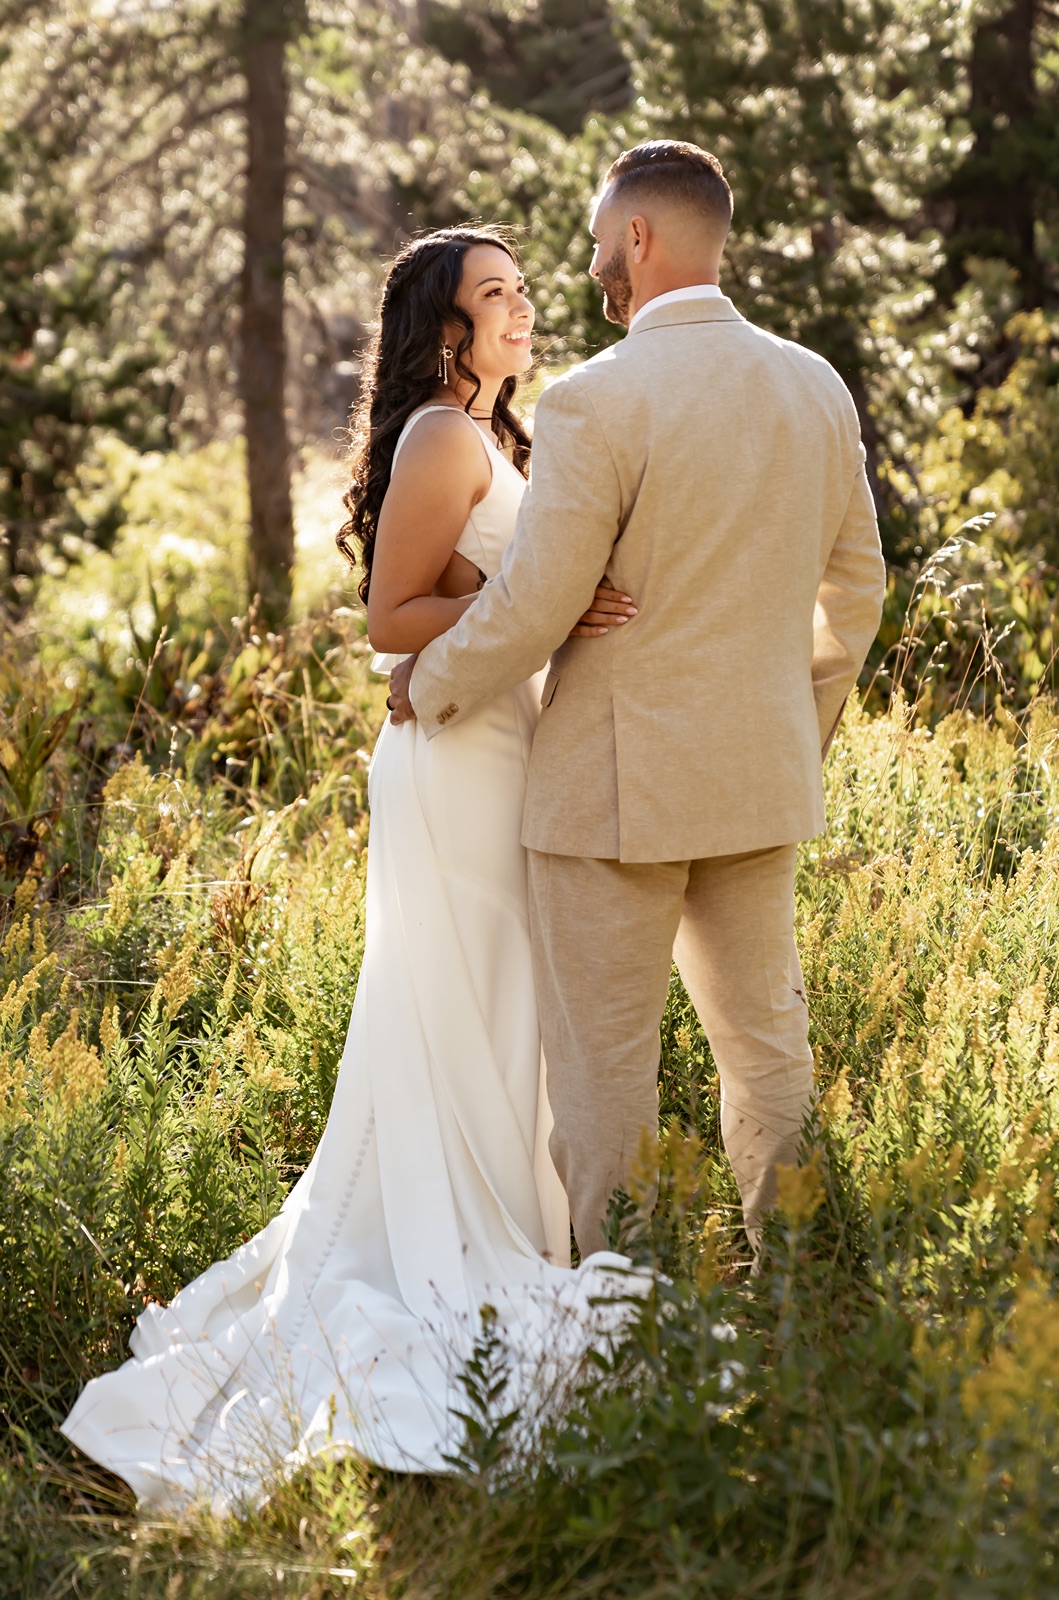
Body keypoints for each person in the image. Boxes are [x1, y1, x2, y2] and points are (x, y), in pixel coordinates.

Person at [60, 227, 637, 1513]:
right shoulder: (441, 435)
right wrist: (528, 588)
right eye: (496, 296)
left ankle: (509, 1225)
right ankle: (446, 1247)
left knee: (501, 1001)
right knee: (456, 1001)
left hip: (502, 743)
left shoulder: (504, 435)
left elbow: (486, 605)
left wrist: (549, 591)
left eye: (523, 290)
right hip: (452, 760)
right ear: (445, 328)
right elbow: (391, 615)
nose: (522, 310)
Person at [389, 141, 887, 1261]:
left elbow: (539, 600)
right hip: (758, 778)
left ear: (641, 240)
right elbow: (857, 589)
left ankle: (624, 1312)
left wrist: (435, 680)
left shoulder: (596, 400)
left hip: (609, 791)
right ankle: (793, 1290)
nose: (592, 261)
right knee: (767, 1045)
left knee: (604, 1065)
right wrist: (791, 728)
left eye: (600, 238)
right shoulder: (815, 384)